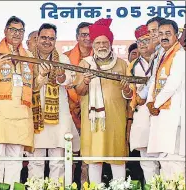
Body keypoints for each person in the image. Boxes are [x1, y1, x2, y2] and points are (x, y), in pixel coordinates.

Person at [0, 16, 40, 189]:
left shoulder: (28, 55)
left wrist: (43, 77)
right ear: (5, 30)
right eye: (13, 29)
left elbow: (34, 86)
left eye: (20, 31)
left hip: (21, 113)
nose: (16, 34)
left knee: (15, 160)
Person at [73, 18, 128, 183]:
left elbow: (130, 94)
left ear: (110, 44)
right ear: (93, 46)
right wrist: (86, 81)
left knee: (117, 156)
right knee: (94, 158)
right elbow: (79, 91)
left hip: (116, 120)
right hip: (93, 121)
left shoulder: (122, 64)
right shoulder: (85, 64)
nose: (102, 46)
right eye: (98, 43)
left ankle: (120, 187)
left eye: (105, 42)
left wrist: (126, 88)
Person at [28, 23, 76, 180]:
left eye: (51, 38)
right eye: (43, 37)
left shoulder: (62, 59)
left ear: (55, 41)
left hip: (59, 116)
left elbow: (70, 80)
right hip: (34, 114)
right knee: (36, 161)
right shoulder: (27, 57)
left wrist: (61, 76)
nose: (47, 41)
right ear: (37, 38)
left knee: (58, 161)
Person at [146, 19, 185, 179]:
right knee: (164, 158)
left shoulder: (181, 55)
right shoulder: (161, 55)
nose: (164, 37)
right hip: (161, 113)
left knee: (175, 159)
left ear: (176, 35)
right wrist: (149, 101)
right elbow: (154, 82)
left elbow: (172, 84)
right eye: (160, 34)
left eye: (168, 34)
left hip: (175, 113)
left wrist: (154, 103)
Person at [123, 25, 159, 183]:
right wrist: (128, 92)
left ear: (154, 40)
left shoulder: (161, 58)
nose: (143, 45)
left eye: (146, 40)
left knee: (163, 155)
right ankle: (152, 186)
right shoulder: (132, 66)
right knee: (145, 157)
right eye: (139, 42)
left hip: (161, 112)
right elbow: (129, 94)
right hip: (142, 114)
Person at [64, 21, 92, 187]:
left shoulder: (99, 57)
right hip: (69, 112)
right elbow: (65, 83)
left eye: (90, 35)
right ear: (77, 37)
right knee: (70, 154)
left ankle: (86, 185)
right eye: (83, 34)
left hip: (91, 112)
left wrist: (83, 105)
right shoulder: (66, 58)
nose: (87, 38)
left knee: (88, 155)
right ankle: (67, 184)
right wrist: (76, 105)